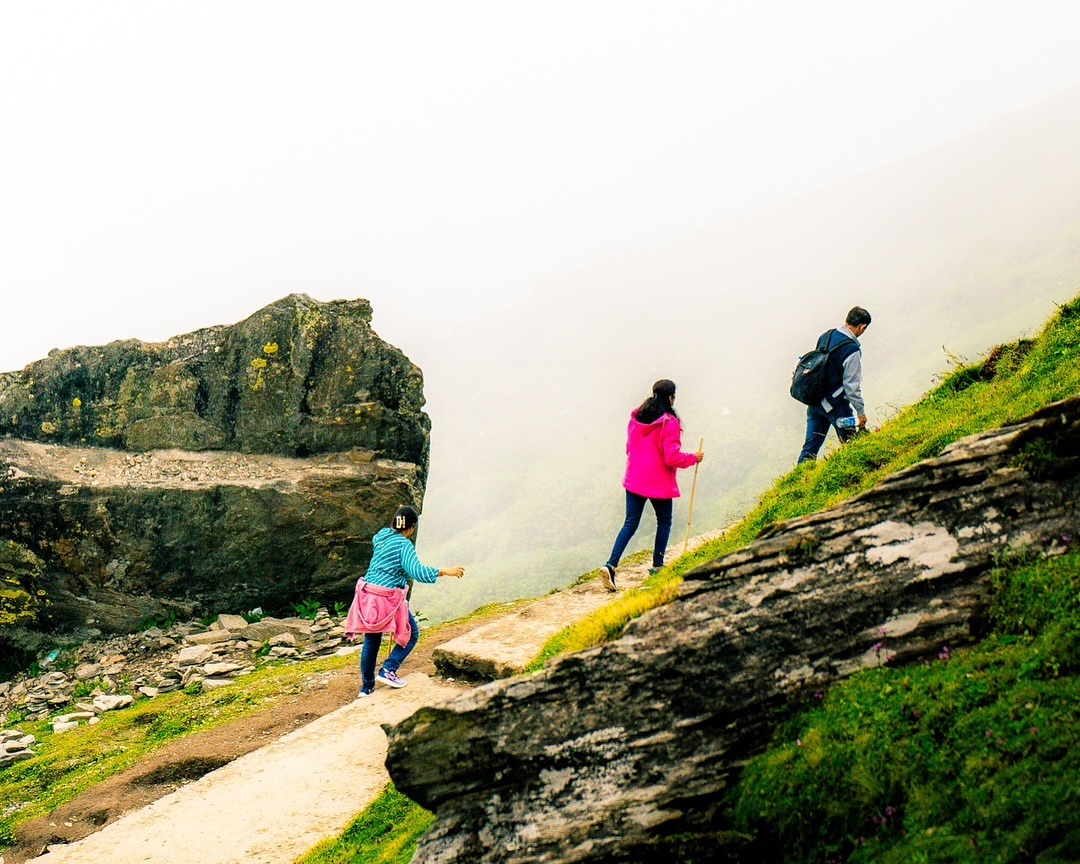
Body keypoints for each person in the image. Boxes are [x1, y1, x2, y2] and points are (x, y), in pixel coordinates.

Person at [344, 505, 464, 696]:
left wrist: (401, 512)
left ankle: (366, 687)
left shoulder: (381, 537)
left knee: (371, 639)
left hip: (367, 595)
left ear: (394, 522)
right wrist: (444, 571)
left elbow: (392, 530)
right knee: (411, 633)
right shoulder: (403, 545)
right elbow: (416, 571)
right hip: (387, 598)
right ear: (412, 527)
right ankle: (388, 670)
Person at [601, 379, 704, 591]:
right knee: (664, 521)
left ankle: (610, 565)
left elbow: (629, 447)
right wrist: (694, 458)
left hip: (634, 479)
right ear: (671, 397)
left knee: (630, 523)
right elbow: (672, 457)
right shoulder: (669, 422)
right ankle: (657, 566)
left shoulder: (637, 416)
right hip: (657, 482)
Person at [797, 306, 872, 464]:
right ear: (862, 327)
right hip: (837, 409)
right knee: (851, 443)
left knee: (809, 448)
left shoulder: (826, 335)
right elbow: (851, 387)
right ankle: (856, 474)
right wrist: (861, 413)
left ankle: (796, 483)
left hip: (815, 404)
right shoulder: (852, 350)